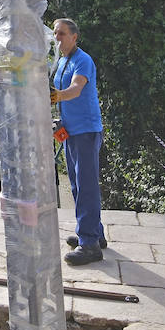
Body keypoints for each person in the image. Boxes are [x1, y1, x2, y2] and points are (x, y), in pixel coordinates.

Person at [50, 17, 105, 266]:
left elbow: (75, 90)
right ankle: (94, 234)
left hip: (86, 131)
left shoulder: (83, 60)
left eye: (61, 33)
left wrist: (53, 97)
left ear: (74, 37)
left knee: (86, 186)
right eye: (55, 33)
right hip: (71, 132)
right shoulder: (62, 61)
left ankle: (90, 244)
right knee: (76, 185)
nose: (57, 38)